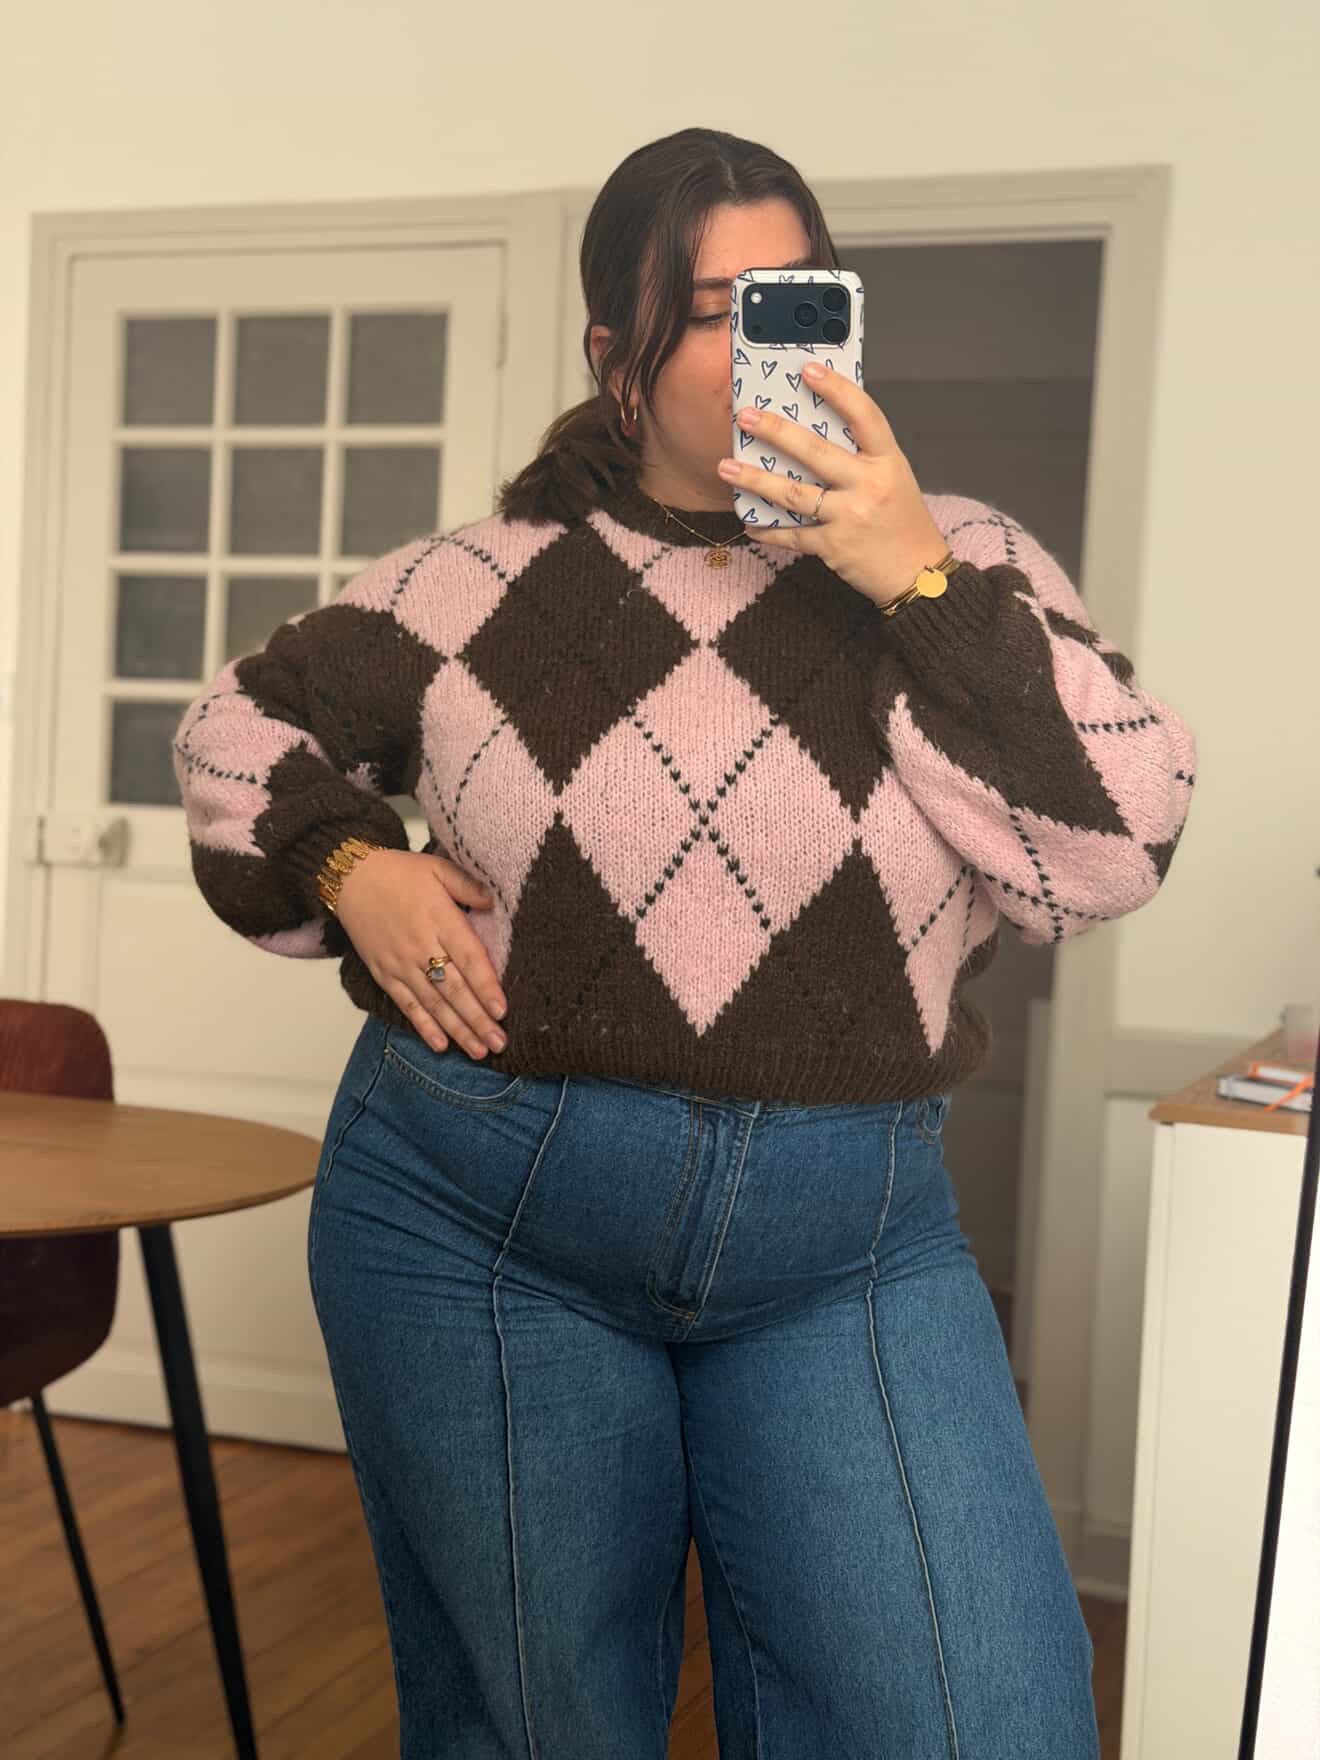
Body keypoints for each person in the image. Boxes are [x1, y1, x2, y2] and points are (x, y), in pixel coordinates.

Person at [173, 125, 1195, 1759]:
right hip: (476, 1233)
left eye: (794, 298)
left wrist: (911, 578)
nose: (762, 345)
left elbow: (1119, 845)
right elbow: (234, 737)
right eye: (714, 311)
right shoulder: (477, 583)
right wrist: (348, 861)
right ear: (619, 360)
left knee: (983, 1716)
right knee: (541, 1728)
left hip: (850, 1252)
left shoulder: (969, 561)